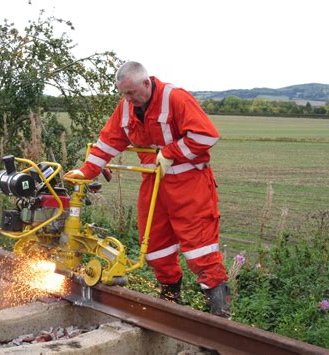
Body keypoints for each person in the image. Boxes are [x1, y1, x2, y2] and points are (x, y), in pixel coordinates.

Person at [64, 61, 230, 318]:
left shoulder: (175, 98)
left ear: (146, 82)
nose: (128, 99)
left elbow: (207, 136)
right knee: (154, 246)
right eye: (123, 94)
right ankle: (171, 299)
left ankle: (220, 312)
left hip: (190, 185)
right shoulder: (126, 107)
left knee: (200, 247)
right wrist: (86, 172)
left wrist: (171, 152)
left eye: (131, 93)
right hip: (154, 182)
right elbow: (109, 141)